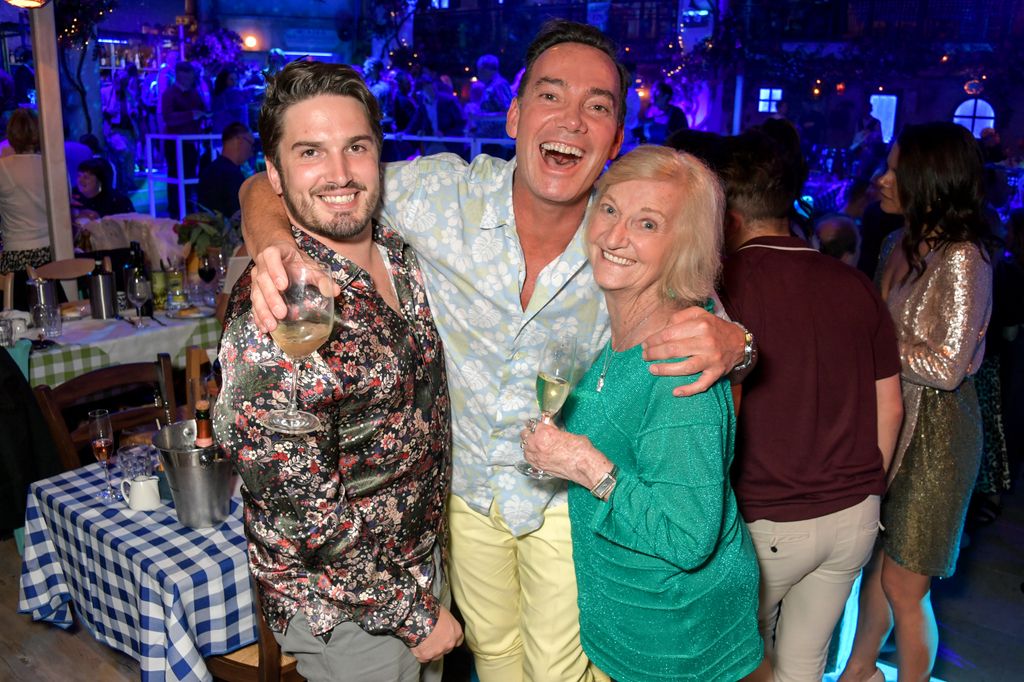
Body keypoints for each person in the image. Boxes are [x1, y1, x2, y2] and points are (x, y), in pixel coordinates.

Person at [239, 20, 750, 681]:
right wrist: (270, 243)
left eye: (597, 106)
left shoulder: (629, 235)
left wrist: (739, 341)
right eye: (550, 95)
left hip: (567, 504)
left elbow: (713, 339)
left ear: (617, 138)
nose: (571, 119)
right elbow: (282, 180)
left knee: (562, 673)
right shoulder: (436, 195)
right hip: (467, 500)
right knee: (498, 663)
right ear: (513, 113)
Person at [213, 60, 463, 682]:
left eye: (356, 146)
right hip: (347, 606)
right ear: (273, 174)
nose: (341, 173)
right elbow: (303, 513)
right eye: (310, 152)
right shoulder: (272, 313)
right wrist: (413, 614)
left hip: (419, 559)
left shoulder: (398, 253)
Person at [520, 144, 769, 681]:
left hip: (674, 641)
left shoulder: (678, 362)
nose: (615, 236)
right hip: (629, 620)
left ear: (685, 245)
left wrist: (584, 464)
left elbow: (687, 537)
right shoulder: (628, 330)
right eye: (610, 209)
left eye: (648, 223)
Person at [717, 130, 903, 681]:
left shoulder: (724, 290)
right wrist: (867, 491)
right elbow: (888, 408)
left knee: (742, 665)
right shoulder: (854, 284)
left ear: (727, 213)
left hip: (766, 517)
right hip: (853, 515)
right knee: (804, 667)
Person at [840, 122, 994, 682]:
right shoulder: (894, 244)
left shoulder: (963, 259)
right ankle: (859, 670)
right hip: (890, 419)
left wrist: (874, 340)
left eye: (895, 169)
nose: (881, 178)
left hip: (937, 437)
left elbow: (947, 369)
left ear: (928, 179)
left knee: (906, 584)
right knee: (878, 566)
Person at [0, 109, 50, 309]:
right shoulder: (53, 164)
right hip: (53, 255)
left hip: (17, 257)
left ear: (10, 135)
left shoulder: (3, 168)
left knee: (20, 320)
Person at [161, 60, 209, 218]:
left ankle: (188, 208)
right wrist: (190, 115)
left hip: (191, 140)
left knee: (189, 174)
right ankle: (175, 211)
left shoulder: (195, 92)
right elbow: (168, 118)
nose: (188, 77)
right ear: (178, 75)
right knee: (175, 175)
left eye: (189, 74)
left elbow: (203, 109)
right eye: (185, 74)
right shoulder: (170, 93)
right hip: (175, 141)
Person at [197, 122, 255, 218]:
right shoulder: (233, 175)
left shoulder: (208, 171)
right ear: (239, 140)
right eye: (251, 144)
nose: (251, 152)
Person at [71, 157, 135, 220]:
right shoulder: (72, 196)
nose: (80, 180)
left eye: (86, 177)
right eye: (79, 176)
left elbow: (132, 225)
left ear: (100, 181)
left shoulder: (119, 202)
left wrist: (100, 219)